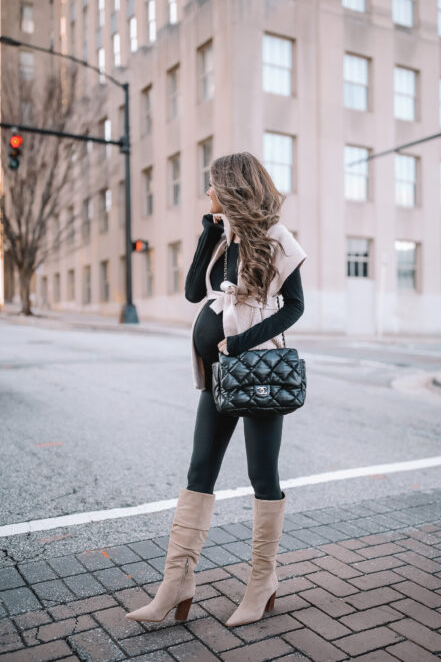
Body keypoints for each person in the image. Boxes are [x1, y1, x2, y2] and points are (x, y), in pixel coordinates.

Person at [126, 151, 307, 627]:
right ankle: (176, 584)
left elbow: (294, 308)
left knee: (261, 475)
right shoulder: (224, 238)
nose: (207, 192)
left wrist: (239, 343)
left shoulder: (277, 241)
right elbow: (192, 292)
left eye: (212, 185)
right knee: (199, 470)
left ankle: (262, 582)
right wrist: (208, 233)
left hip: (260, 374)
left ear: (231, 186)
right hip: (218, 377)